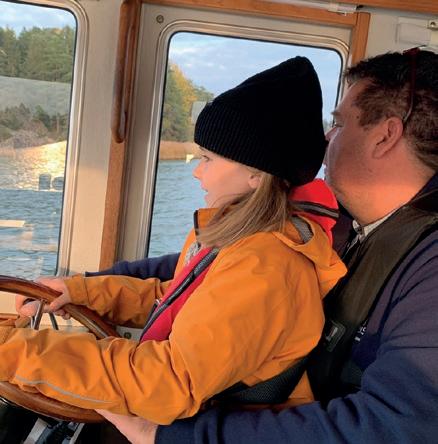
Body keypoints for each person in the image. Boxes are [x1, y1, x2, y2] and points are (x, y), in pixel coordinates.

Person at [81, 49, 438, 443]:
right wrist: (84, 286)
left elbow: (394, 427)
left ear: (385, 136)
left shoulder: (430, 267)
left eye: (338, 124)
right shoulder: (340, 224)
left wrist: (170, 436)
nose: (326, 139)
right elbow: (205, 265)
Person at [7, 57, 346, 427]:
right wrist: (80, 292)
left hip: (216, 426)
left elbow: (170, 381)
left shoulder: (265, 267)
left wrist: (15, 353)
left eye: (207, 159)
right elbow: (172, 299)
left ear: (256, 174)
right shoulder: (241, 239)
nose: (197, 171)